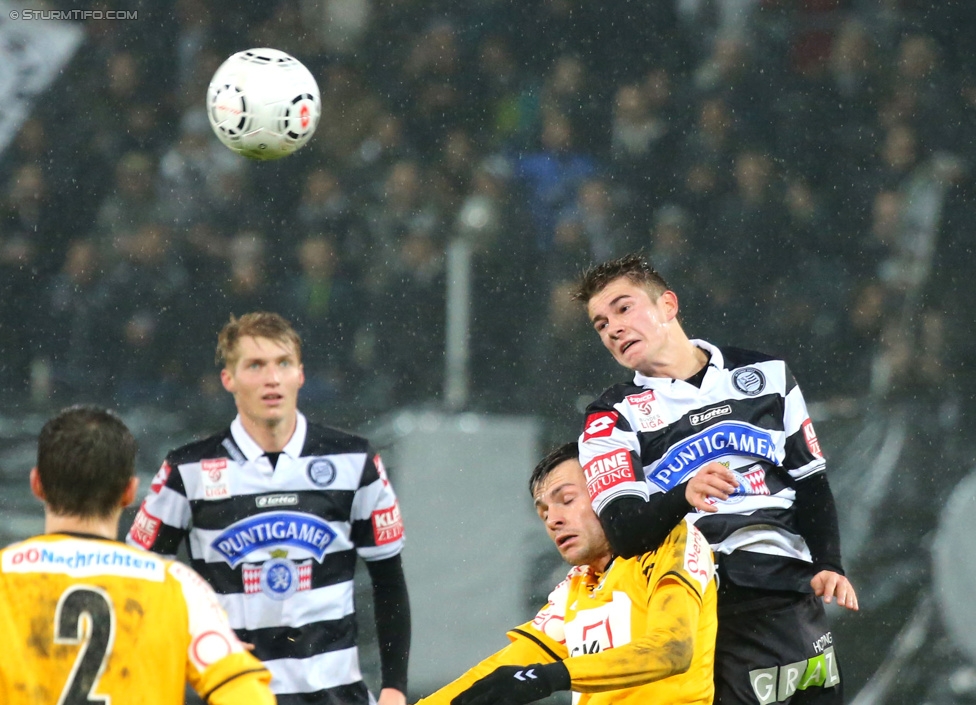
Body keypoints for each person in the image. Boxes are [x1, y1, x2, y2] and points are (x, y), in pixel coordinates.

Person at [574, 253, 858, 704]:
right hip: (707, 608)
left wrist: (829, 563)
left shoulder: (766, 375)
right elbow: (624, 531)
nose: (612, 328)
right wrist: (683, 495)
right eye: (600, 323)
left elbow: (811, 481)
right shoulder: (610, 418)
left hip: (792, 598)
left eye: (623, 308)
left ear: (668, 305)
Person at [126, 311, 410, 705]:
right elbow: (139, 585)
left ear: (300, 374)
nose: (271, 378)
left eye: (283, 363)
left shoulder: (354, 460)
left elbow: (388, 579)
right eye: (255, 365)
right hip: (233, 696)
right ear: (229, 379)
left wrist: (395, 687)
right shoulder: (187, 469)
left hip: (336, 698)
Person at [0, 405, 275, 704]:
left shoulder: (4, 577)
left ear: (37, 484)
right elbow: (248, 696)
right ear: (130, 492)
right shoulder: (179, 588)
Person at [416, 442, 718, 705]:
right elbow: (508, 665)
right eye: (543, 512)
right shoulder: (576, 587)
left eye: (567, 500)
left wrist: (550, 677)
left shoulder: (668, 541)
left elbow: (672, 650)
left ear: (608, 493)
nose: (553, 520)